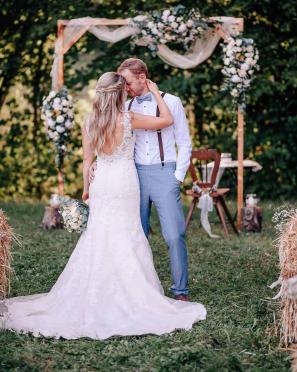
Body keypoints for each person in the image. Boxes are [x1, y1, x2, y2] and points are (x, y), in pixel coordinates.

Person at [0, 72, 206, 340]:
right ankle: (133, 294)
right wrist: (156, 92)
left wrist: (87, 189)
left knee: (99, 236)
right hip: (125, 182)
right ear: (121, 93)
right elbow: (166, 120)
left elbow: (88, 161)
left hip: (103, 184)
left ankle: (98, 290)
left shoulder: (90, 120)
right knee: (127, 234)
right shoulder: (129, 118)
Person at [89, 58, 192, 301]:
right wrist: (97, 162)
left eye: (127, 82)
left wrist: (177, 177)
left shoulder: (171, 102)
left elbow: (184, 142)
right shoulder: (125, 107)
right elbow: (109, 138)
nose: (124, 87)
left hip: (165, 172)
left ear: (142, 78)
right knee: (135, 233)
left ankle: (180, 291)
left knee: (174, 235)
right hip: (133, 175)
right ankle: (139, 291)